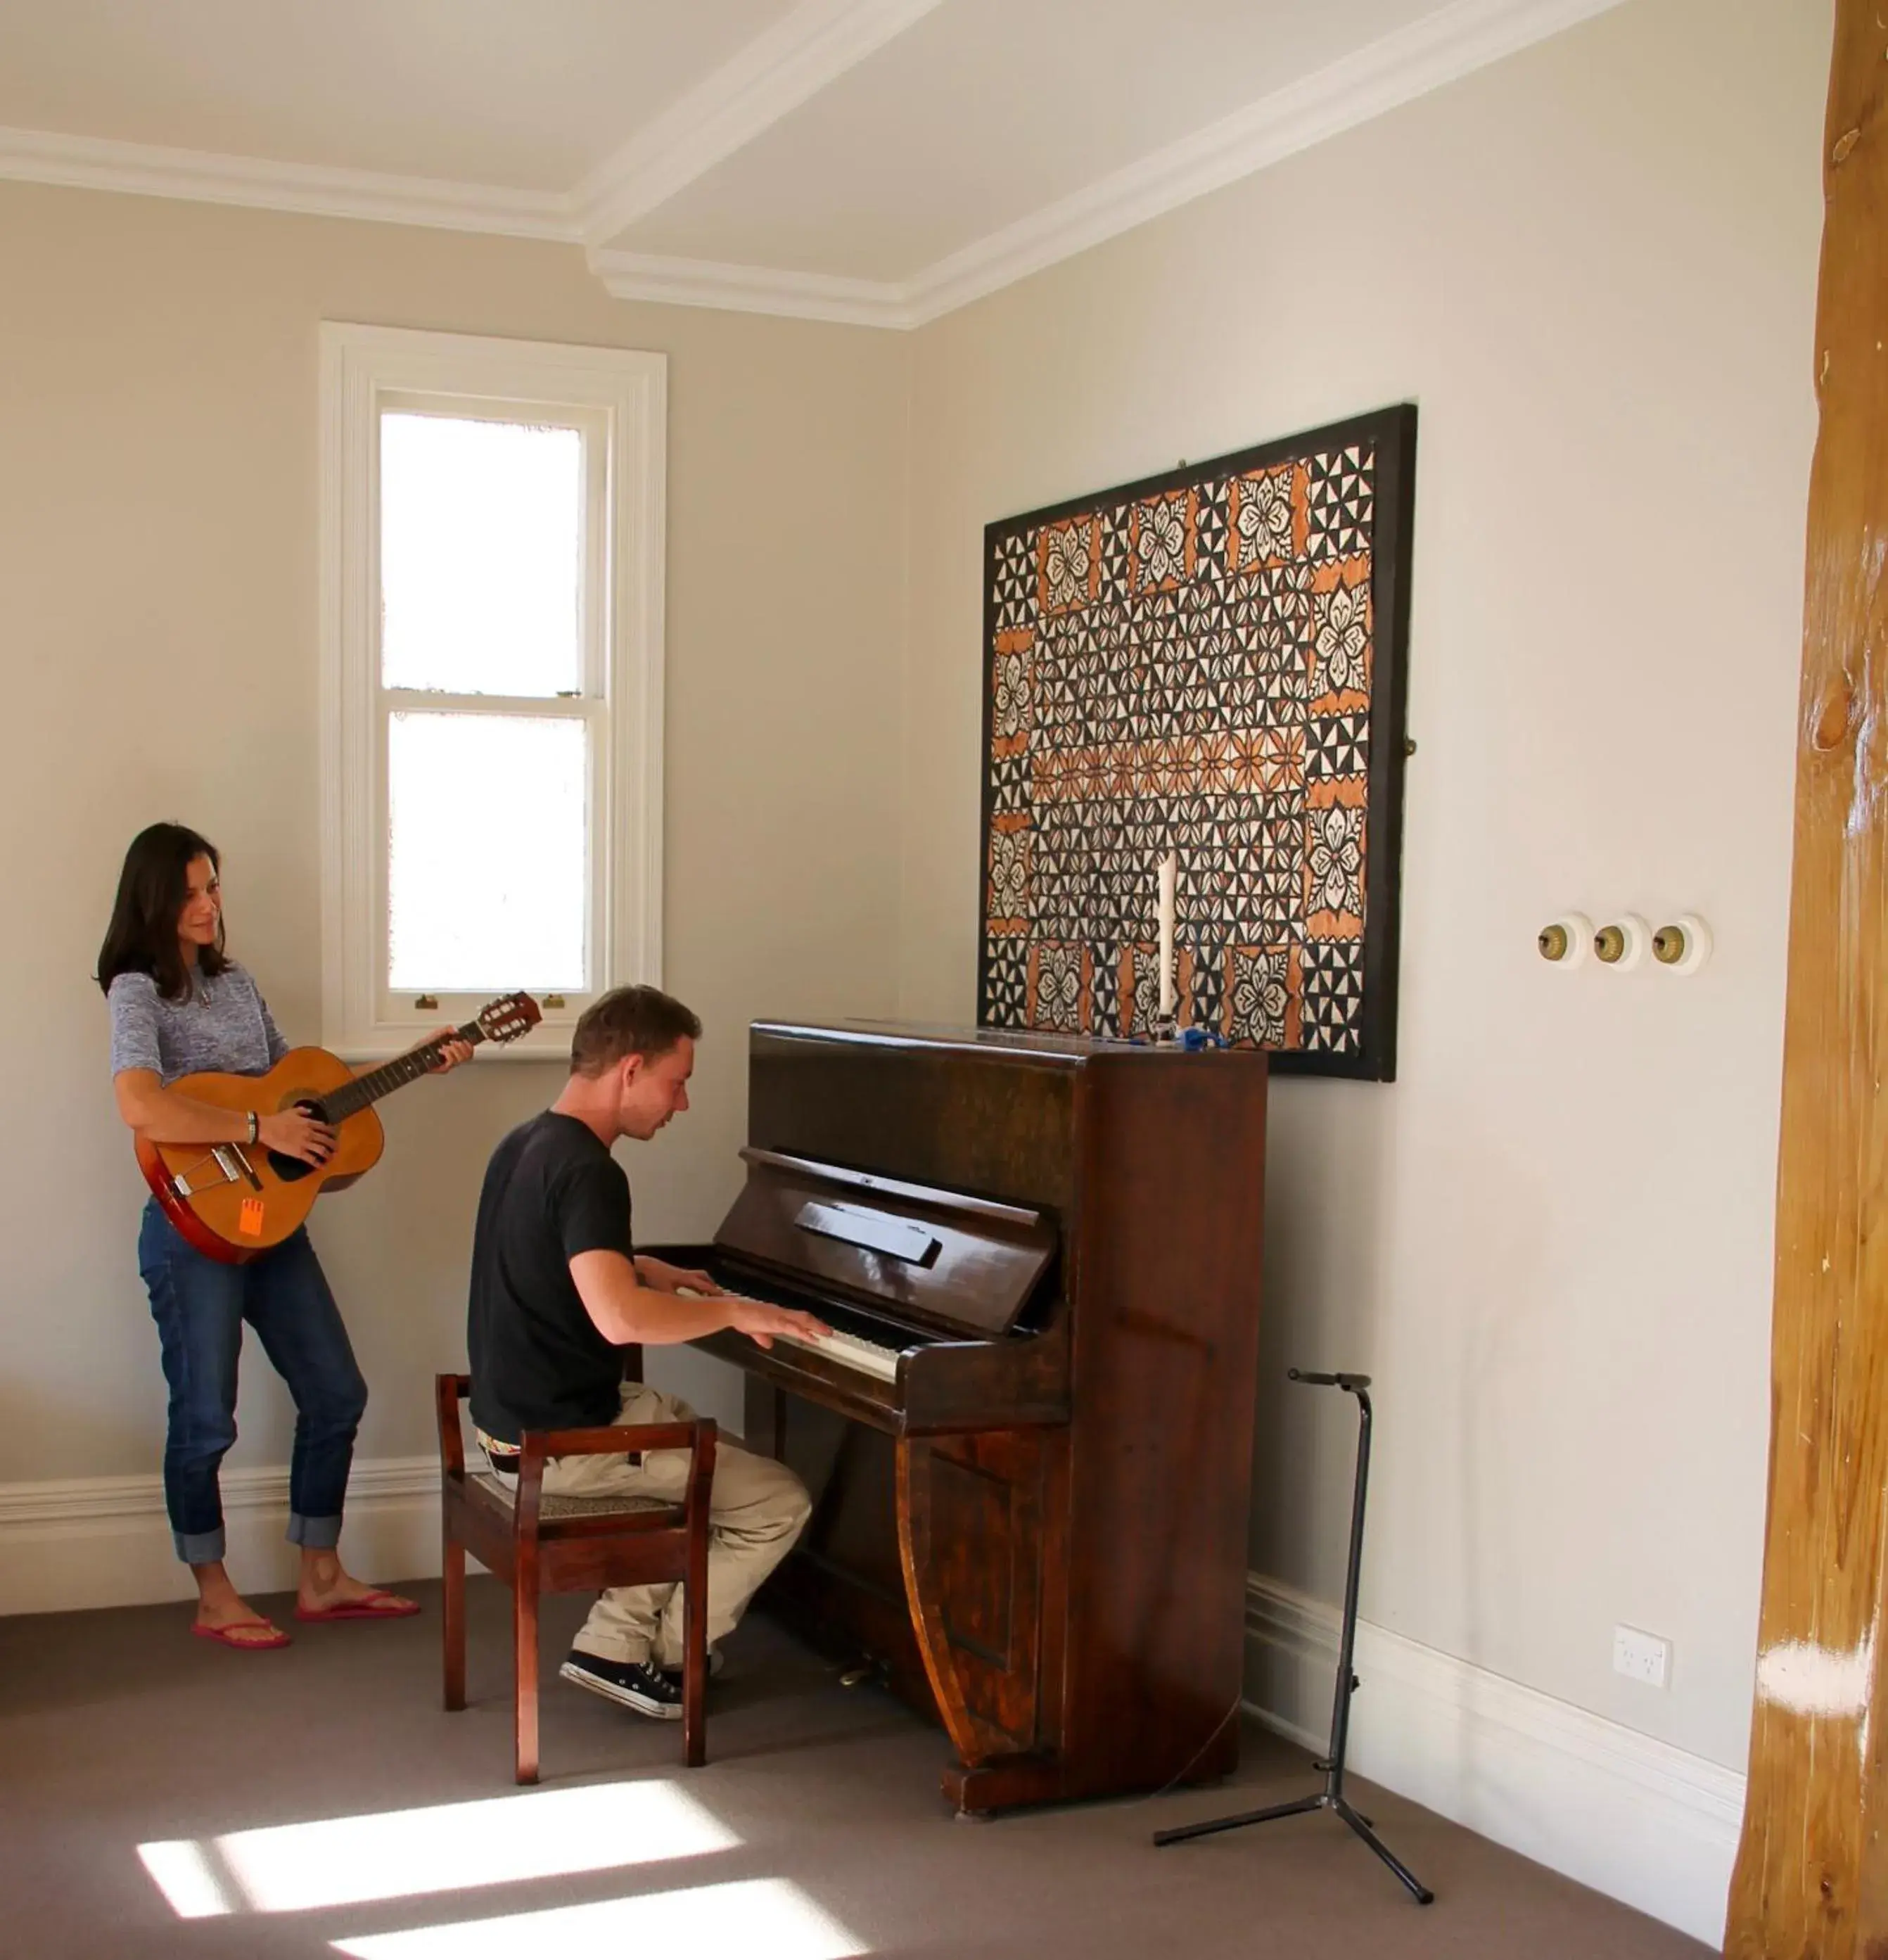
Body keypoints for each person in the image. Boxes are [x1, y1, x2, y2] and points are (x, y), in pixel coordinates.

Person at [100, 822, 472, 1649]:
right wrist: (259, 1127)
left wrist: (412, 1059)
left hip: (270, 1225)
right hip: (189, 1228)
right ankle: (213, 1589)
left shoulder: (238, 985)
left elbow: (303, 1087)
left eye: (214, 886)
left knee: (337, 1390)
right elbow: (142, 1103)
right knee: (205, 1417)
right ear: (155, 898)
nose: (209, 904)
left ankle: (321, 1573)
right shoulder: (135, 991)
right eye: (191, 890)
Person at [467, 984, 827, 1720]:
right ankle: (639, 1651)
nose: (682, 1103)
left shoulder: (528, 1141)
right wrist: (734, 1308)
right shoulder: (594, 1170)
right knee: (777, 1500)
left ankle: (634, 1637)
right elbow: (618, 1320)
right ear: (630, 1068)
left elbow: (557, 1260)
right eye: (678, 1080)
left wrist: (642, 1265)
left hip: (509, 1426)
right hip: (565, 1445)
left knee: (687, 1427)